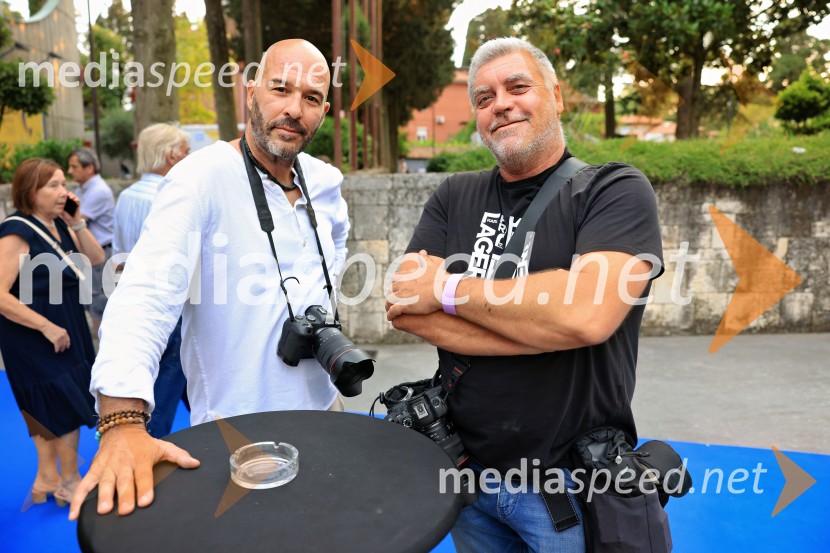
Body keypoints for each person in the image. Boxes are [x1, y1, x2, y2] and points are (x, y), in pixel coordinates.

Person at [386, 38, 664, 552]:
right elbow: (404, 307)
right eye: (485, 97)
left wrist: (443, 288)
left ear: (556, 96)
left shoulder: (613, 190)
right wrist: (544, 326)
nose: (501, 104)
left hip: (569, 489)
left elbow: (585, 316)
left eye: (518, 87)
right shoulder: (453, 195)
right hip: (467, 475)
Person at [68, 39, 350, 520]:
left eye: (310, 98)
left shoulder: (324, 181)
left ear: (323, 110)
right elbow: (145, 293)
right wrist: (121, 421)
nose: (293, 109)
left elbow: (336, 249)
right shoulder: (200, 177)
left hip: (325, 408)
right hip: (236, 429)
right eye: (280, 88)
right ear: (251, 91)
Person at [0, 158, 105, 507]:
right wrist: (45, 327)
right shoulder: (18, 230)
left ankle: (47, 478)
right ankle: (69, 480)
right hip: (35, 332)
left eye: (64, 184)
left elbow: (93, 258)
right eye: (54, 186)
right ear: (31, 190)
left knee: (53, 403)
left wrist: (77, 223)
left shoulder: (59, 224)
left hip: (66, 324)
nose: (64, 192)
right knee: (61, 402)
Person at [112, 123, 191, 438]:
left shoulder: (126, 197)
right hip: (171, 310)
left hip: (136, 305)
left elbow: (118, 258)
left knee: (165, 389)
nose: (189, 158)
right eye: (186, 152)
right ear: (171, 156)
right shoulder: (170, 197)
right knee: (165, 398)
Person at [67, 147, 115, 336]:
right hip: (91, 255)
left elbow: (73, 220)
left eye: (74, 166)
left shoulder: (98, 191)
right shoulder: (83, 188)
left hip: (100, 256)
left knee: (98, 302)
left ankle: (102, 348)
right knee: (91, 300)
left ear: (90, 168)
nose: (70, 171)